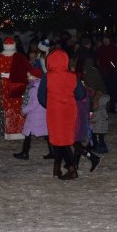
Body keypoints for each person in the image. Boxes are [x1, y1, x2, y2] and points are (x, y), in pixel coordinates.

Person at [39, 49, 85, 180]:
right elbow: (81, 95)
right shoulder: (72, 76)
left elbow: (41, 97)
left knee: (59, 140)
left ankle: (71, 169)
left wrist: (49, 105)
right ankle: (57, 168)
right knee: (61, 140)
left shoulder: (47, 77)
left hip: (55, 111)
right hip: (70, 111)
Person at [0, 37, 31, 140]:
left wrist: (3, 74)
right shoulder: (8, 57)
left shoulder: (1, 57)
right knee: (15, 109)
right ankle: (18, 132)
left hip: (11, 87)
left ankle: (13, 132)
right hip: (12, 87)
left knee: (13, 109)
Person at [14, 67, 51, 160]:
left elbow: (34, 103)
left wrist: (24, 110)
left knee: (28, 133)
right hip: (41, 113)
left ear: (34, 77)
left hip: (35, 114)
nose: (27, 78)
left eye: (29, 76)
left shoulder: (34, 89)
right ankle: (53, 152)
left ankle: (25, 153)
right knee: (46, 133)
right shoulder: (41, 86)